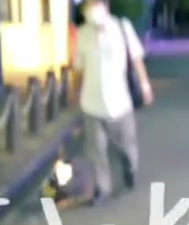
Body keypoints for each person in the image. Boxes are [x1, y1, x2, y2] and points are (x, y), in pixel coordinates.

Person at [73, 0, 154, 206]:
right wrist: (76, 93)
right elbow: (79, 68)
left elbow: (136, 59)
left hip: (120, 101)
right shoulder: (82, 34)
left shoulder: (122, 28)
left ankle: (130, 167)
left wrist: (145, 86)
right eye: (88, 6)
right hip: (91, 102)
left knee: (126, 145)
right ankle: (102, 188)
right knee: (96, 149)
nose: (91, 9)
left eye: (95, 4)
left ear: (105, 6)